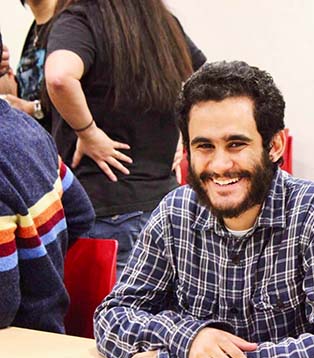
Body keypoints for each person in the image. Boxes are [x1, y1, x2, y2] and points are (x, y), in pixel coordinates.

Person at [94, 61, 314, 358]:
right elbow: (112, 316)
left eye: (236, 144)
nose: (219, 165)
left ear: (275, 145)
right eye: (204, 146)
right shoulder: (174, 213)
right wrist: (189, 339)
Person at [45, 0, 206, 275]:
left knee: (115, 315)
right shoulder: (163, 23)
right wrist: (184, 130)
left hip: (107, 207)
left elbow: (60, 77)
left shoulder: (81, 20)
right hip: (164, 203)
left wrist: (88, 132)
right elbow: (204, 80)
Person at [0, 32, 94, 334]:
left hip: (20, 346)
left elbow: (3, 305)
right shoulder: (27, 127)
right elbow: (81, 214)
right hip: (48, 331)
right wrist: (42, 268)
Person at [0, 0, 56, 132]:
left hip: (68, 144)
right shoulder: (34, 31)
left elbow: (88, 96)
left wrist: (32, 109)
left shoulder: (72, 27)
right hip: (37, 142)